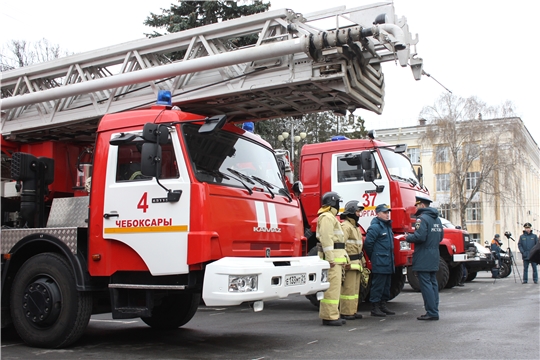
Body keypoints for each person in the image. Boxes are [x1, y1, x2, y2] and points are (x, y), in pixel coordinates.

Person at [406, 194, 443, 321]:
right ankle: (434, 309)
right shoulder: (437, 220)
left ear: (421, 205)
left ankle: (431, 311)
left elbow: (419, 237)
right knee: (433, 283)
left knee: (426, 284)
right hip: (434, 254)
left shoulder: (421, 219)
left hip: (423, 255)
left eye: (417, 205)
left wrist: (407, 237)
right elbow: (441, 237)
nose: (416, 208)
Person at [316, 191, 349, 326]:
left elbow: (339, 243)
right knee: (331, 289)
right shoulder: (327, 217)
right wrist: (330, 259)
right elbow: (327, 240)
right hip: (332, 261)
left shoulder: (331, 217)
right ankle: (329, 316)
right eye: (337, 202)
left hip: (337, 260)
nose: (338, 206)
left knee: (335, 289)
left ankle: (333, 314)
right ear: (332, 202)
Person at [364, 203, 395, 317]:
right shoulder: (375, 227)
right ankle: (375, 307)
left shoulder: (387, 226)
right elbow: (368, 244)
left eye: (388, 213)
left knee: (386, 285)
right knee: (378, 285)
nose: (387, 215)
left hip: (387, 261)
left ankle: (383, 305)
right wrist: (374, 256)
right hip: (380, 261)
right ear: (378, 214)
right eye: (385, 213)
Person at [339, 200, 365, 320]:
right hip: (350, 264)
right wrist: (344, 262)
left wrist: (363, 262)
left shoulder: (355, 228)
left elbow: (359, 248)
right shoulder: (346, 226)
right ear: (352, 212)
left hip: (357, 263)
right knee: (348, 290)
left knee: (354, 291)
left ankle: (352, 311)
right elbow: (340, 245)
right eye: (358, 211)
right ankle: (346, 312)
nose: (359, 214)